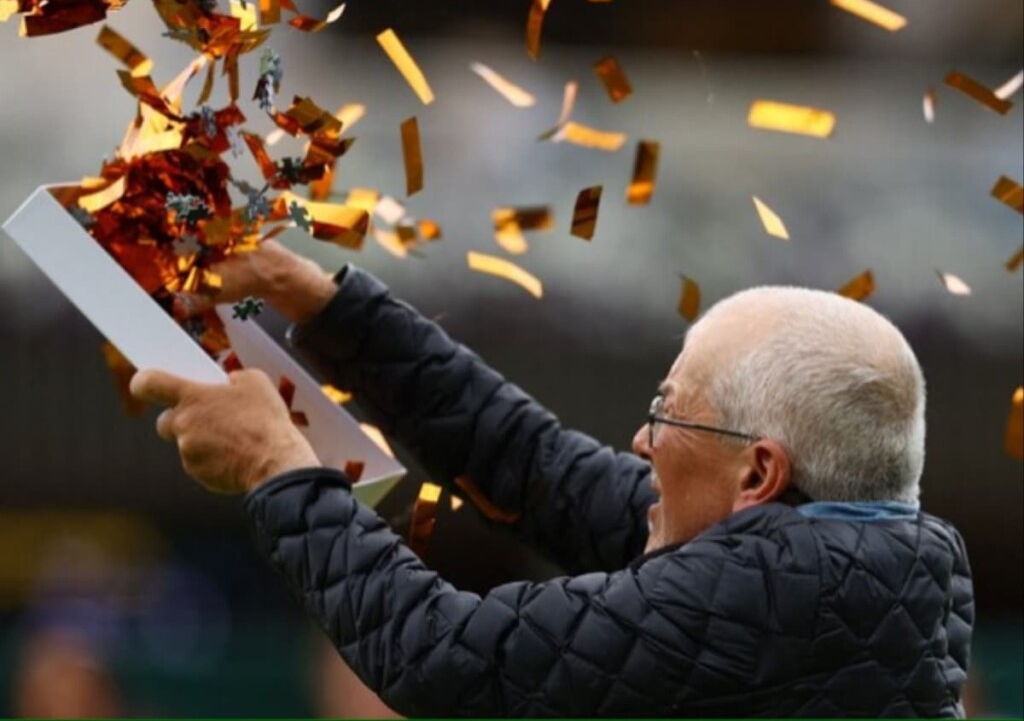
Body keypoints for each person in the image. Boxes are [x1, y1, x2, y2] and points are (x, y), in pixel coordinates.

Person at [130, 241, 974, 717]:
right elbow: (538, 469)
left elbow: (437, 656)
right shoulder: (837, 567)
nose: (643, 439)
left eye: (670, 413)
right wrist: (322, 302)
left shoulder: (771, 591)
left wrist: (275, 467)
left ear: (759, 472)